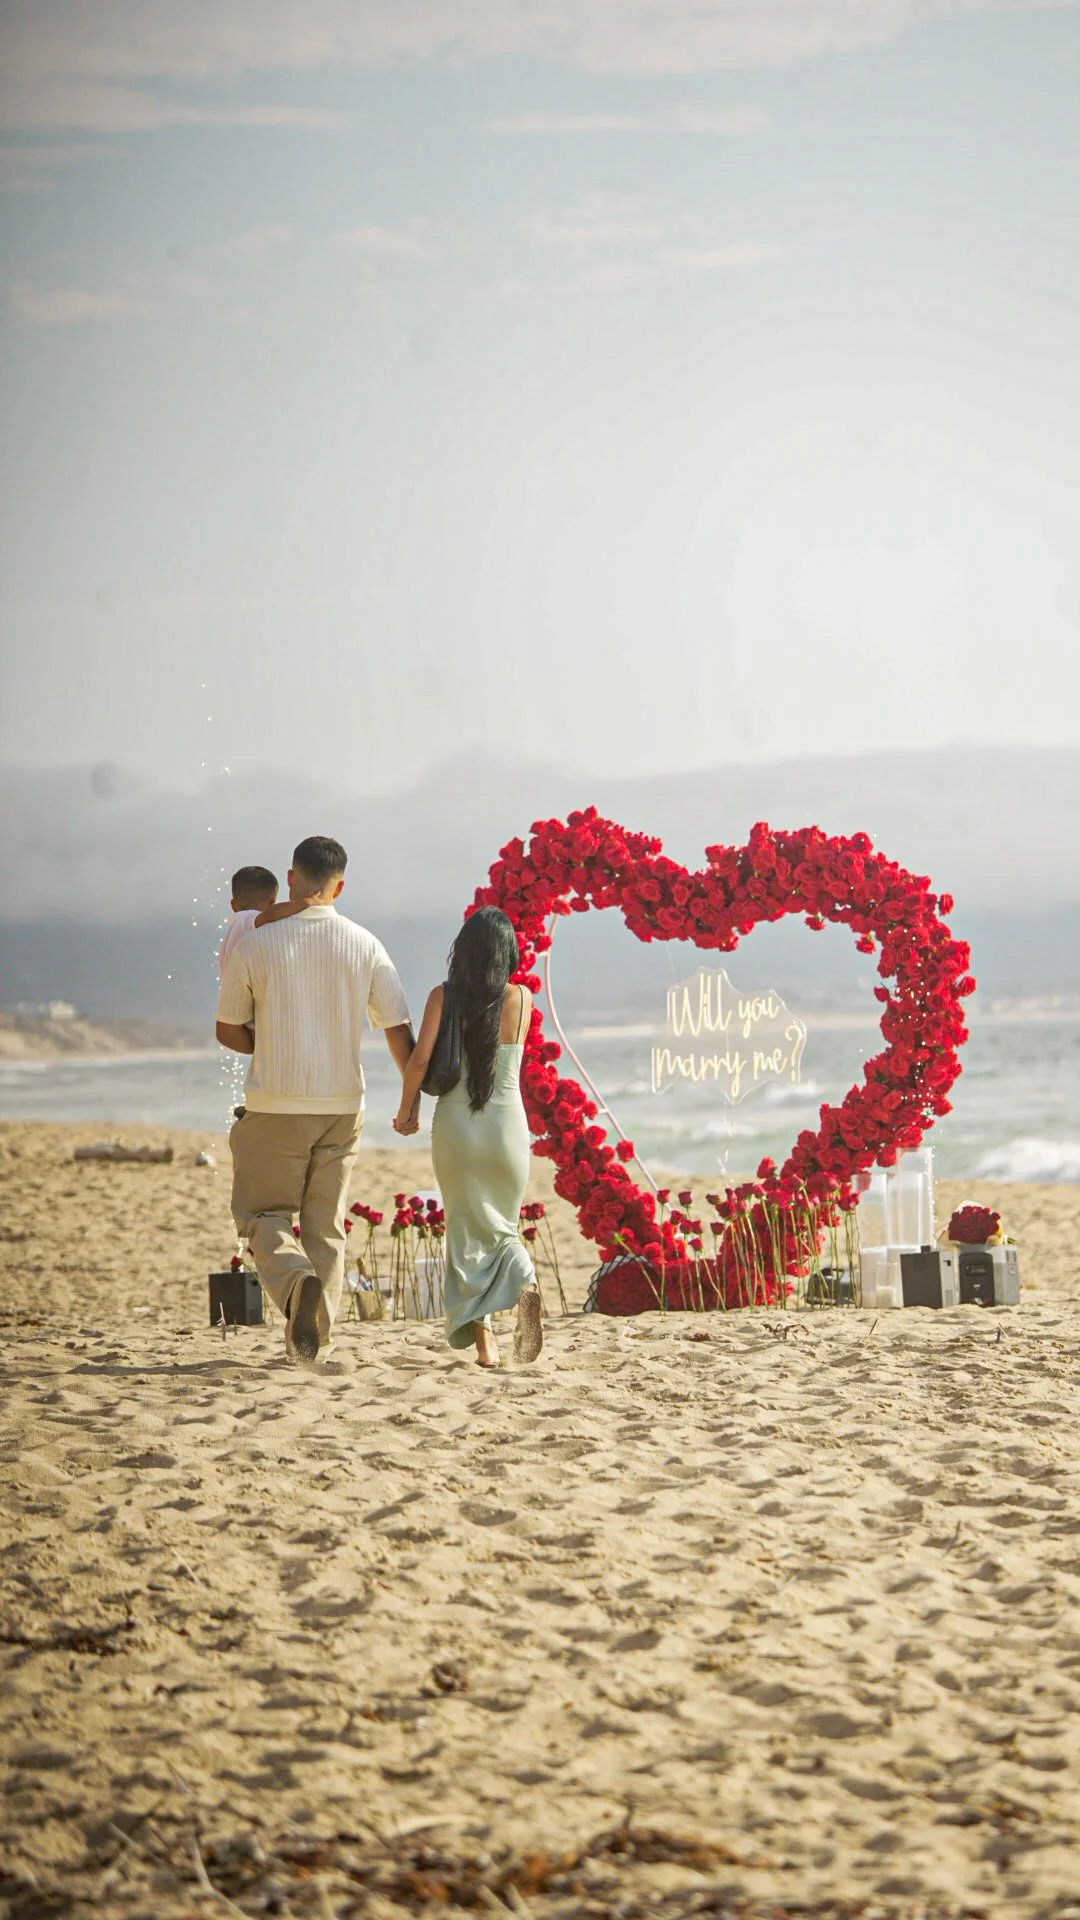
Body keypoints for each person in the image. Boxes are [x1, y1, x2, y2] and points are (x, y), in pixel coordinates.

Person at [216, 835, 414, 1366]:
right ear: (339, 885)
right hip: (343, 1104)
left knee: (263, 1215)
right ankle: (315, 1343)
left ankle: (297, 1286)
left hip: (275, 1103)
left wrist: (271, 1043)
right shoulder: (365, 943)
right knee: (325, 1224)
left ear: (293, 878)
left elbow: (228, 1030)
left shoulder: (255, 944)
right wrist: (411, 1096)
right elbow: (397, 1026)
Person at [393, 907, 541, 1370]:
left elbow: (419, 1062)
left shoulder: (444, 996)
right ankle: (525, 1282)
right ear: (508, 952)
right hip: (507, 1129)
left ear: (464, 949)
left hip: (457, 1128)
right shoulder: (524, 997)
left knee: (465, 1231)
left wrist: (406, 1108)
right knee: (502, 1228)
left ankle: (487, 1346)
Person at [218, 865, 279, 977]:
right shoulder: (247, 918)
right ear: (271, 903)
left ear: (233, 905)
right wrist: (301, 904)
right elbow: (268, 916)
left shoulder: (235, 928)